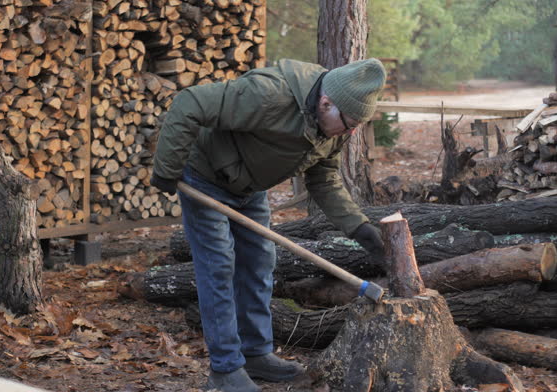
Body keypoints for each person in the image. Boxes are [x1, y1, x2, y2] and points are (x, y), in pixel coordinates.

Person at [150, 58, 387, 392]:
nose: (351, 132)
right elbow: (190, 102)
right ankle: (225, 370)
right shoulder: (269, 94)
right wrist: (167, 167)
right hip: (205, 176)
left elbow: (323, 179)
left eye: (357, 125)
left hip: (249, 186)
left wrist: (361, 230)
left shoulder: (337, 122)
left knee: (260, 261)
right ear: (325, 103)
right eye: (349, 123)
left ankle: (255, 352)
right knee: (218, 265)